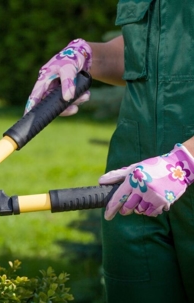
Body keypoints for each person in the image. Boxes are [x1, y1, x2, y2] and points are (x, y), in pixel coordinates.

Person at [24, 1, 194, 302]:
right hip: (132, 197)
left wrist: (185, 162)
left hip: (175, 176)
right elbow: (150, 56)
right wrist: (87, 56)